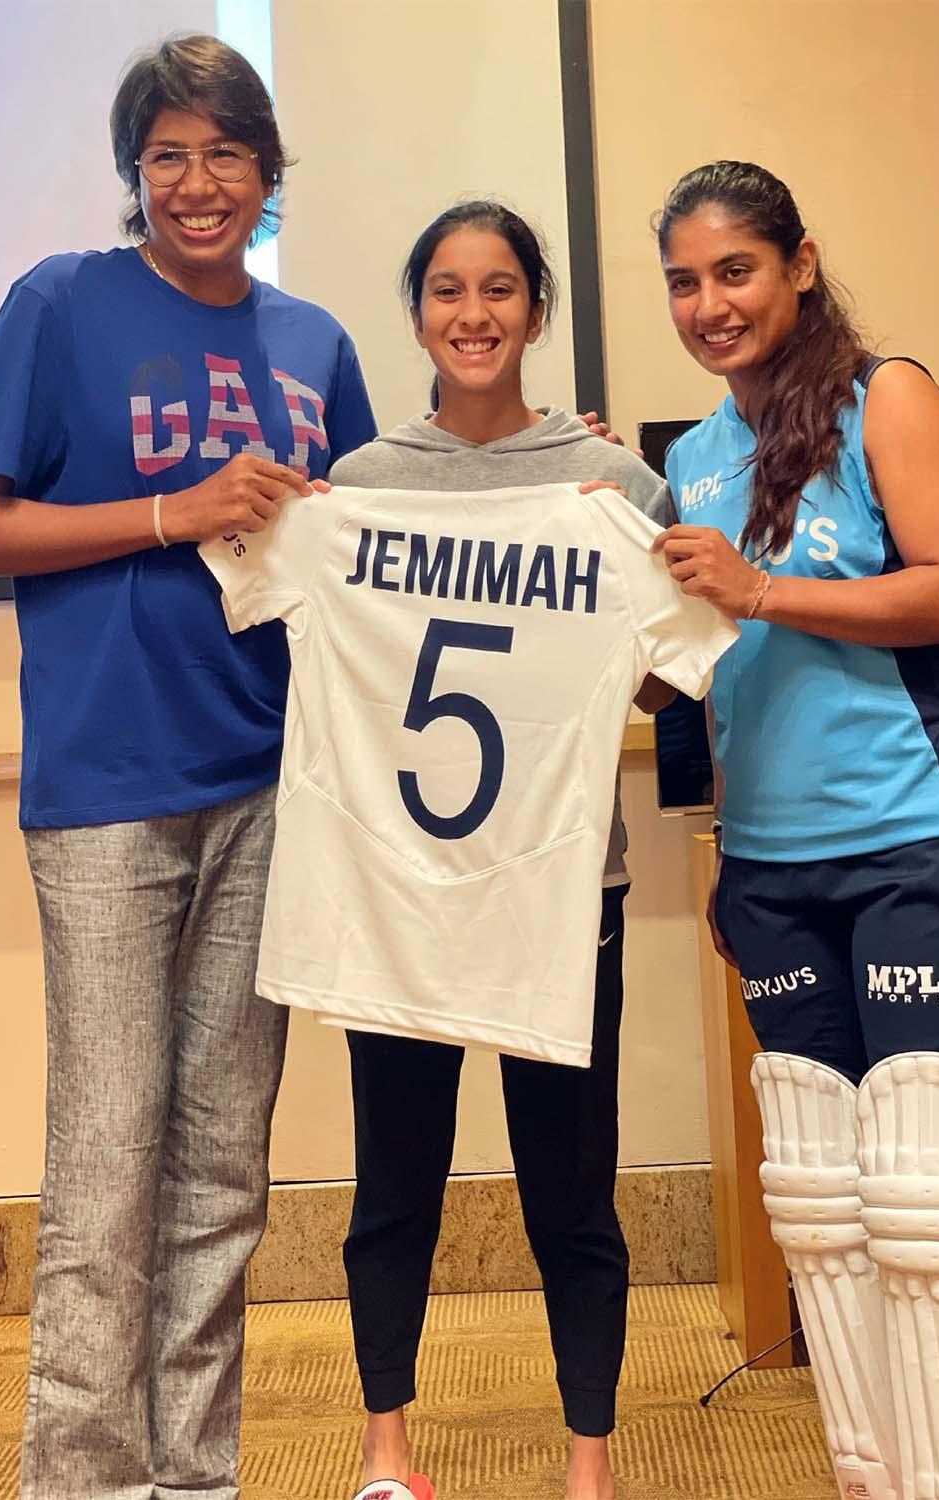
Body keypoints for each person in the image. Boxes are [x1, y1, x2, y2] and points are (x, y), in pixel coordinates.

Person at [0, 34, 377, 1500]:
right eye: (168, 156)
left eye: (225, 154)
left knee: (223, 1173)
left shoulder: (316, 347)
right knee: (111, 1163)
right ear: (135, 177)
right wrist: (172, 510)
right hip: (111, 791)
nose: (198, 183)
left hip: (271, 790)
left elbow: (376, 557)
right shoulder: (60, 304)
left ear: (267, 172)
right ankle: (86, 1481)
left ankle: (198, 1479)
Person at [653, 160, 939, 1499]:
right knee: (831, 1217)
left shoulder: (887, 397)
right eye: (684, 281)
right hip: (772, 874)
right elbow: (697, 668)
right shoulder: (692, 460)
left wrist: (762, 589)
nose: (709, 303)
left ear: (801, 264)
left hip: (918, 846)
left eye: (735, 270)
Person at [324, 200, 727, 1500]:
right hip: (404, 888)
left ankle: (588, 1463)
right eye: (447, 290)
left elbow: (676, 679)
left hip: (564, 887)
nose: (475, 314)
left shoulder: (610, 483)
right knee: (396, 1177)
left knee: (571, 1184)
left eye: (500, 289)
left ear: (536, 311)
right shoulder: (368, 482)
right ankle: (388, 1455)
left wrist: (612, 642)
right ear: (419, 313)